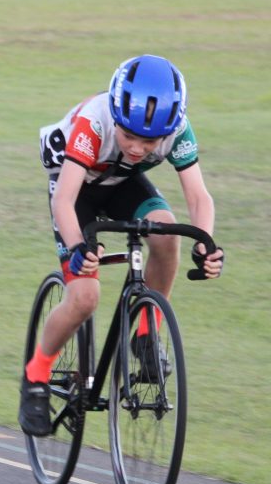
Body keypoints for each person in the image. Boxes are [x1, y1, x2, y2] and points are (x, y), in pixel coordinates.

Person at [19, 54, 224, 436]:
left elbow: (199, 197)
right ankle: (36, 373)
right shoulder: (94, 122)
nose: (136, 147)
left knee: (166, 234)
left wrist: (207, 244)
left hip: (121, 185)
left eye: (149, 141)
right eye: (128, 135)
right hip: (77, 189)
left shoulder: (178, 130)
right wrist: (79, 245)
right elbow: (63, 199)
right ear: (115, 116)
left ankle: (145, 333)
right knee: (84, 298)